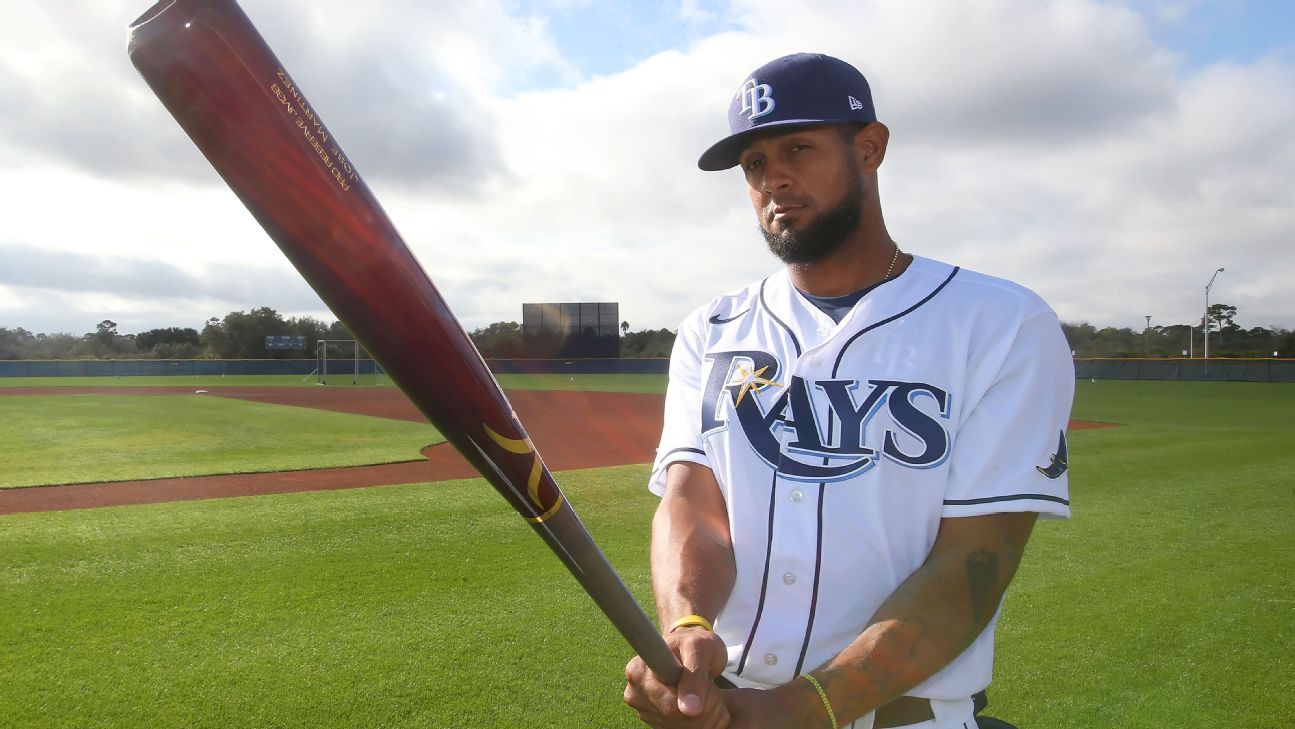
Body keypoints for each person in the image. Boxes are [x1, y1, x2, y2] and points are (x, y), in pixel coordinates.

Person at [622, 53, 1074, 729]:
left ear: (869, 147)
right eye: (752, 163)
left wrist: (808, 706)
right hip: (730, 705)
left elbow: (975, 558)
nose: (771, 177)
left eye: (796, 148)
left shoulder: (1000, 322)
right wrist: (686, 622)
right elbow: (695, 501)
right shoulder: (712, 329)